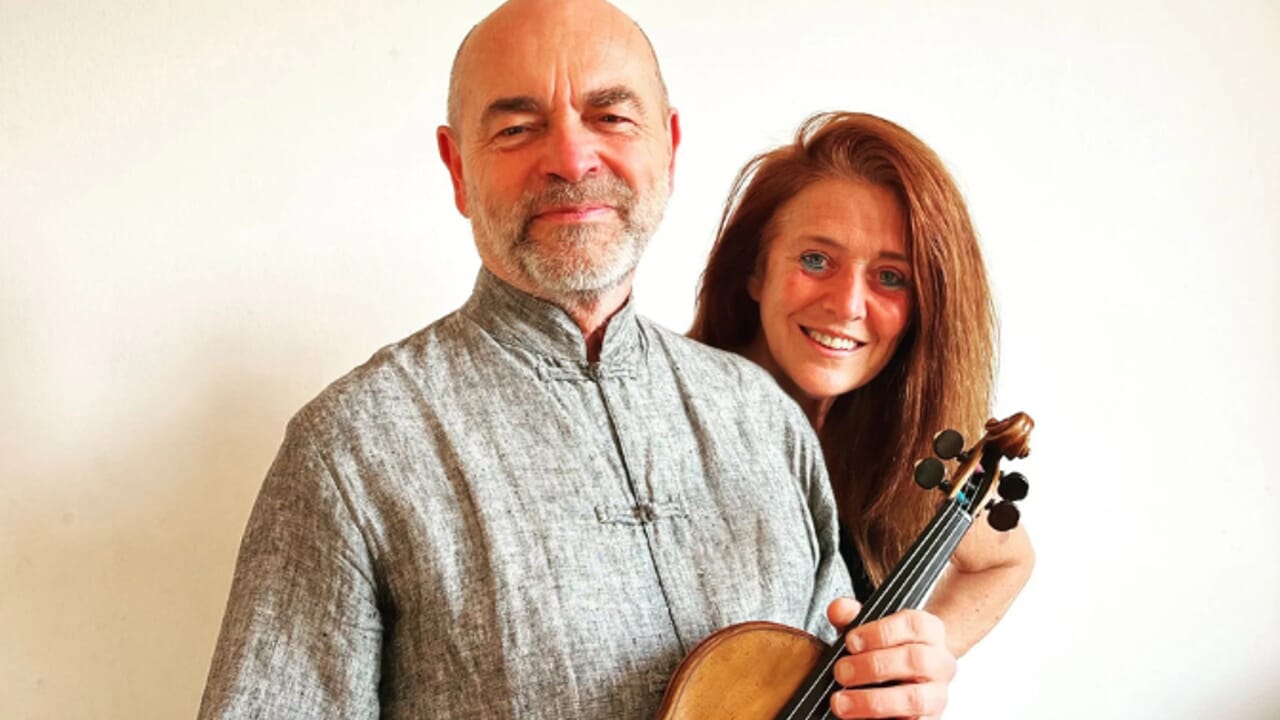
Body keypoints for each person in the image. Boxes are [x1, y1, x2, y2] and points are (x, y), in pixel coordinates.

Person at [199, 4, 956, 719]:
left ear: (668, 146)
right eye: (518, 128)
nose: (570, 158)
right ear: (457, 168)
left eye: (611, 117)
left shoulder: (764, 418)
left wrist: (884, 692)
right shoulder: (351, 446)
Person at [691, 111, 1035, 657]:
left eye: (890, 277)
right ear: (755, 271)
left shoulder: (906, 445)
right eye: (816, 260)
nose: (848, 305)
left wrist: (913, 660)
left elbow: (1005, 559)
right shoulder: (673, 410)